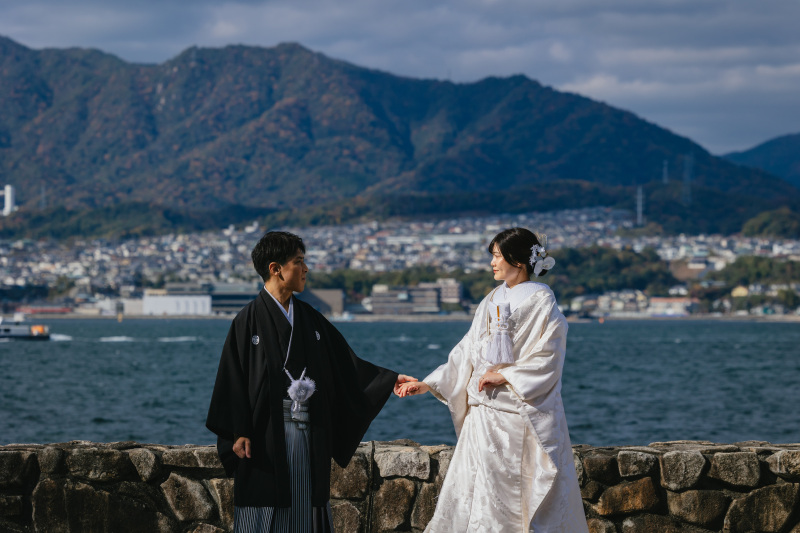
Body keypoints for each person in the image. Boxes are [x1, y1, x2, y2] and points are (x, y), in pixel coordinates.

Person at [207, 231, 413, 532]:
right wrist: (238, 431)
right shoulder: (247, 320)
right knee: (264, 507)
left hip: (307, 433)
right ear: (276, 268)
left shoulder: (310, 319)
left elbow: (346, 364)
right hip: (264, 435)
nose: (306, 269)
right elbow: (232, 380)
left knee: (306, 507)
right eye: (299, 262)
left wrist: (389, 380)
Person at [398, 227, 589, 532]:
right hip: (482, 414)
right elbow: (467, 351)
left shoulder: (542, 299)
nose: (492, 263)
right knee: (474, 494)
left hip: (517, 413)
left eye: (498, 255)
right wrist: (428, 383)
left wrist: (506, 375)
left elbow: (549, 354)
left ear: (519, 260)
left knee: (511, 493)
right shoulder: (491, 299)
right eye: (493, 256)